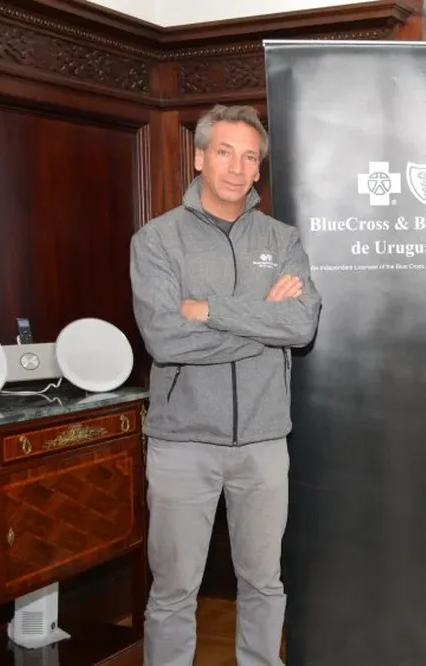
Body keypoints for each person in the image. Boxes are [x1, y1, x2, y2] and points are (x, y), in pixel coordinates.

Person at [129, 104, 322, 666]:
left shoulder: (282, 240)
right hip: (182, 443)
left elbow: (302, 324)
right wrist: (263, 320)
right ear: (198, 158)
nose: (237, 168)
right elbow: (166, 341)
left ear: (259, 168)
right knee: (172, 592)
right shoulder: (157, 240)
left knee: (264, 584)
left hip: (263, 444)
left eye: (250, 157)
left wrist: (208, 309)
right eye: (224, 152)